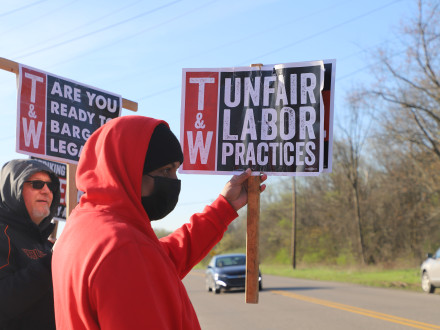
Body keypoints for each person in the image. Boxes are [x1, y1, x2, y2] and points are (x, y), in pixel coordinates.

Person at [52, 115, 267, 329]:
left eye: (175, 170)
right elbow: (138, 261)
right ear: (130, 170)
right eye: (165, 170)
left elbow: (164, 261)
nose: (174, 182)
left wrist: (224, 207)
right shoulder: (123, 247)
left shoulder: (82, 226)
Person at [0, 159, 60, 330]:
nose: (47, 191)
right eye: (37, 184)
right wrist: (51, 262)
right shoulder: (3, 234)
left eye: (52, 187)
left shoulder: (46, 245)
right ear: (13, 189)